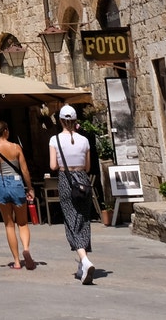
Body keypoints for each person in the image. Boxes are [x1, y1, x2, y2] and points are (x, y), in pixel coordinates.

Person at [49, 105, 97, 284]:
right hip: (83, 180)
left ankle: (84, 260)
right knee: (83, 219)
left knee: (70, 220)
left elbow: (53, 165)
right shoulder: (84, 140)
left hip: (66, 180)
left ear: (60, 120)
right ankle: (82, 264)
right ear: (76, 120)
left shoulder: (54, 140)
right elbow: (88, 166)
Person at [0, 120, 37, 270]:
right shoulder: (16, 148)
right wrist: (30, 188)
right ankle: (26, 249)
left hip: (1, 185)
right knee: (22, 223)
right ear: (6, 131)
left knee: (9, 225)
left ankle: (16, 261)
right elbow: (25, 171)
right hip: (16, 184)